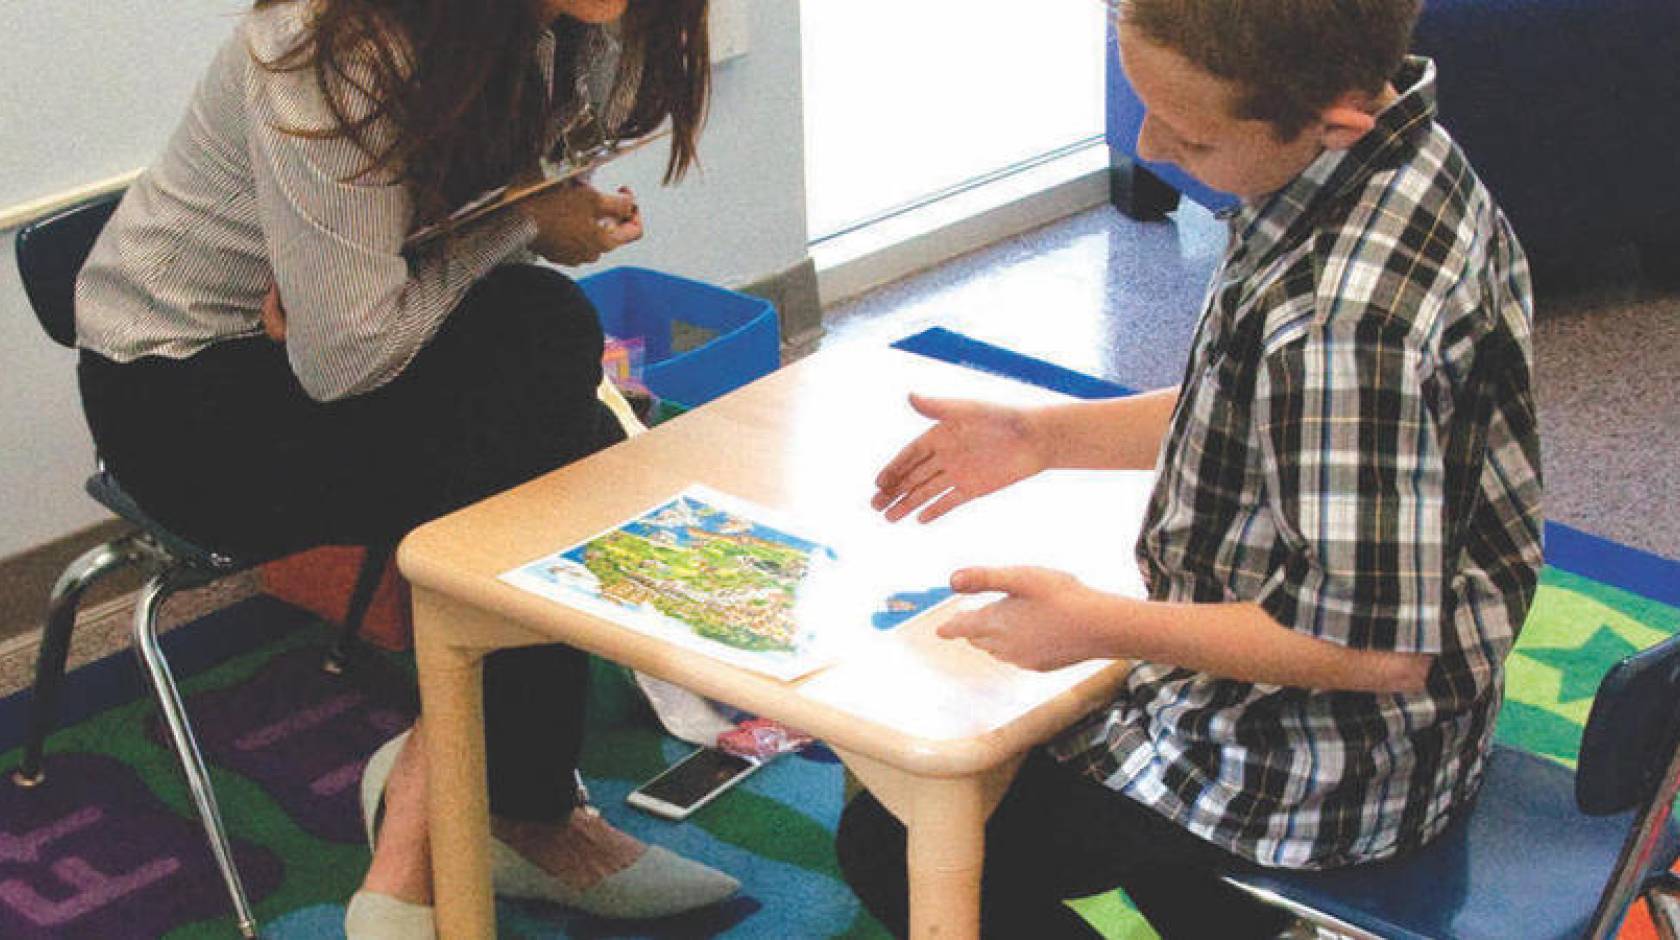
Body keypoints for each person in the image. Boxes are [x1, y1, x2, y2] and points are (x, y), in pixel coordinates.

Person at [836, 0, 1544, 936]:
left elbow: (1373, 649)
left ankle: (1216, 893)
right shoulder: (1392, 160)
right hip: (1388, 734)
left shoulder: (1347, 324)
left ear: (1332, 123)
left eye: (1191, 136)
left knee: (894, 838)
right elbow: (1255, 408)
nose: (1150, 145)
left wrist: (1098, 625)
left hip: (1309, 772)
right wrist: (1043, 437)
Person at [72, 0, 738, 935]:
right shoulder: (329, 43)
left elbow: (396, 282)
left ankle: (460, 807)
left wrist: (505, 224)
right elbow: (347, 357)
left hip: (333, 340)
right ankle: (486, 823)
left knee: (550, 402)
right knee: (548, 385)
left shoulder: (576, 22)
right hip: (184, 394)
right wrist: (522, 226)